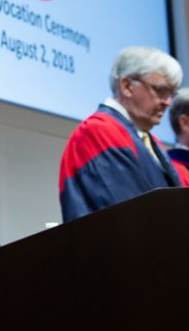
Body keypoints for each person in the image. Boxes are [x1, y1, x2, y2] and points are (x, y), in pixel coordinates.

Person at [59, 46, 182, 222]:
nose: (168, 102)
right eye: (161, 91)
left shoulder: (150, 140)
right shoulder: (98, 131)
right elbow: (128, 214)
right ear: (127, 86)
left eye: (172, 94)